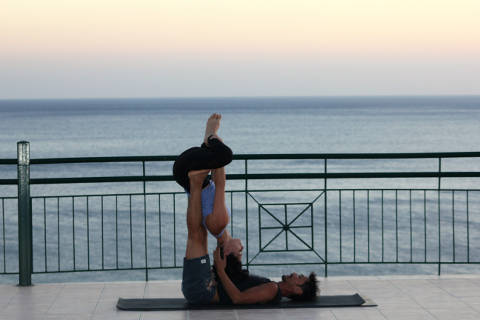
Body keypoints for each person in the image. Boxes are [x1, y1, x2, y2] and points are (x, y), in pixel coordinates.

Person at [175, 114, 318, 305]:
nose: (294, 274)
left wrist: (219, 268)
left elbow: (238, 298)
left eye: (299, 277)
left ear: (297, 290)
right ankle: (208, 161)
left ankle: (196, 182)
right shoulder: (271, 286)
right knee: (205, 231)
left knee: (196, 235)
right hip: (206, 285)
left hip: (203, 288)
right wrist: (229, 253)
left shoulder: (272, 289)